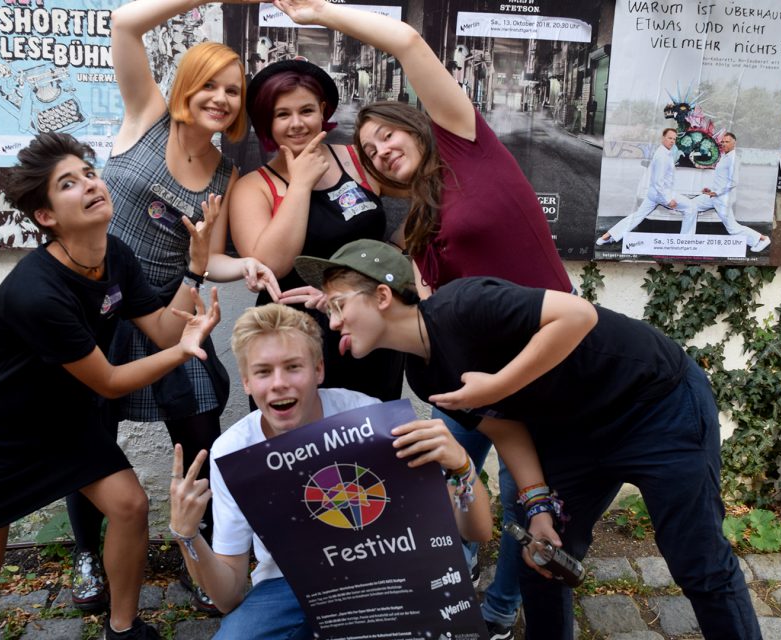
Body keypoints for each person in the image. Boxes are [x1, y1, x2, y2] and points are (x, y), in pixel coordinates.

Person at [270, 3, 573, 635]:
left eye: (389, 136)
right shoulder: (416, 228)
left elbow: (408, 41)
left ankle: (500, 608)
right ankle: (444, 584)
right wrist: (335, 302)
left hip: (546, 357)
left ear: (419, 129)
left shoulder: (469, 148)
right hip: (475, 379)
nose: (381, 150)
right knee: (435, 474)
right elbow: (407, 305)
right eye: (370, 150)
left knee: (526, 496)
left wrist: (319, 10)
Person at [293, 238, 763, 640]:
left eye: (338, 305)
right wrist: (538, 506)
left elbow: (577, 315)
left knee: (698, 562)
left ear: (381, 296)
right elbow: (506, 429)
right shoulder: (423, 374)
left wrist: (495, 386)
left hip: (656, 406)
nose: (333, 322)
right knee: (542, 556)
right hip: (574, 435)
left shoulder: (463, 305)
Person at [0, 132, 222, 640]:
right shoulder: (36, 291)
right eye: (68, 183)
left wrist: (194, 268)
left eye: (89, 173)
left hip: (61, 417)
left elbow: (164, 331)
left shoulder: (115, 255)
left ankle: (123, 628)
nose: (90, 184)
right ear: (45, 216)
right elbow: (110, 382)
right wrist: (183, 351)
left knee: (129, 505)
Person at [63, 0, 281, 614]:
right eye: (210, 84)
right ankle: (86, 552)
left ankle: (199, 551)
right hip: (99, 309)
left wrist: (247, 265)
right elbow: (126, 24)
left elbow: (210, 259)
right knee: (91, 437)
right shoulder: (146, 116)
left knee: (200, 432)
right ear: (186, 85)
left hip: (173, 311)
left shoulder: (227, 172)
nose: (221, 98)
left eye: (233, 91)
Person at [167, 303, 493, 639]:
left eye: (293, 367)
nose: (279, 383)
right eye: (263, 372)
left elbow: (478, 531)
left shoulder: (367, 418)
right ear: (247, 382)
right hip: (288, 585)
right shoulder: (234, 451)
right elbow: (228, 597)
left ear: (319, 370)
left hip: (386, 572)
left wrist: (462, 465)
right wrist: (187, 536)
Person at [228, 58, 404, 402]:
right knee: (300, 433)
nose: (297, 124)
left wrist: (397, 251)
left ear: (323, 111)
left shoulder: (357, 159)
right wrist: (301, 184)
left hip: (370, 330)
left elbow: (431, 193)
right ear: (266, 122)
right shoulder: (254, 187)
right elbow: (272, 265)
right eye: (282, 114)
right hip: (294, 340)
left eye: (306, 110)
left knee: (373, 430)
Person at [597, 128, 697, 245]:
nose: (672, 141)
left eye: (674, 139)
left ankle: (608, 236)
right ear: (663, 138)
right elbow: (658, 181)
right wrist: (668, 200)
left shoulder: (664, 152)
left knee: (638, 215)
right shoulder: (662, 156)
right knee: (691, 207)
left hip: (653, 193)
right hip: (662, 193)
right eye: (670, 138)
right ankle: (685, 242)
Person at [689, 132, 771, 253]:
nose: (724, 144)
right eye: (723, 142)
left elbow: (733, 181)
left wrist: (717, 193)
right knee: (689, 205)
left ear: (734, 143)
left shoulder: (732, 159)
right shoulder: (725, 157)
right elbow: (721, 179)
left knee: (732, 228)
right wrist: (711, 191)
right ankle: (686, 241)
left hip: (723, 199)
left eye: (727, 142)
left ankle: (762, 239)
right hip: (714, 196)